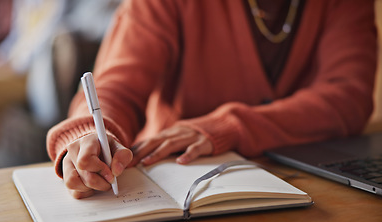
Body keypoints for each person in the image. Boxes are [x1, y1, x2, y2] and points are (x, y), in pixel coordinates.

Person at [47, 0, 377, 199]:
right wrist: (88, 135)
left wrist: (228, 127)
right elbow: (117, 87)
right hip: (168, 187)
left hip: (309, 194)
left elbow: (349, 98)